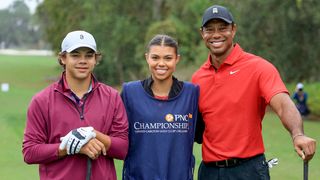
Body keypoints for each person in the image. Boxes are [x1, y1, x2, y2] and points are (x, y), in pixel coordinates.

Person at [191, 5, 317, 180]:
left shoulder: (259, 68)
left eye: (223, 28)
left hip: (248, 171)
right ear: (202, 33)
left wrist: (298, 134)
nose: (216, 34)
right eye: (210, 30)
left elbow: (282, 104)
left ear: (233, 30)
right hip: (209, 172)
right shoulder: (198, 78)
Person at [22, 30, 129, 180]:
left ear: (95, 59)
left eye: (89, 55)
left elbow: (122, 149)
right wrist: (69, 147)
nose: (83, 60)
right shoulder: (42, 101)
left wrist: (92, 134)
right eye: (75, 55)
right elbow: (30, 152)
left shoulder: (112, 97)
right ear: (63, 58)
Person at [121, 34, 199, 180]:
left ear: (177, 59)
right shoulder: (130, 93)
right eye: (155, 57)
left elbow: (201, 133)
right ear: (147, 58)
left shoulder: (191, 94)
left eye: (168, 58)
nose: (161, 63)